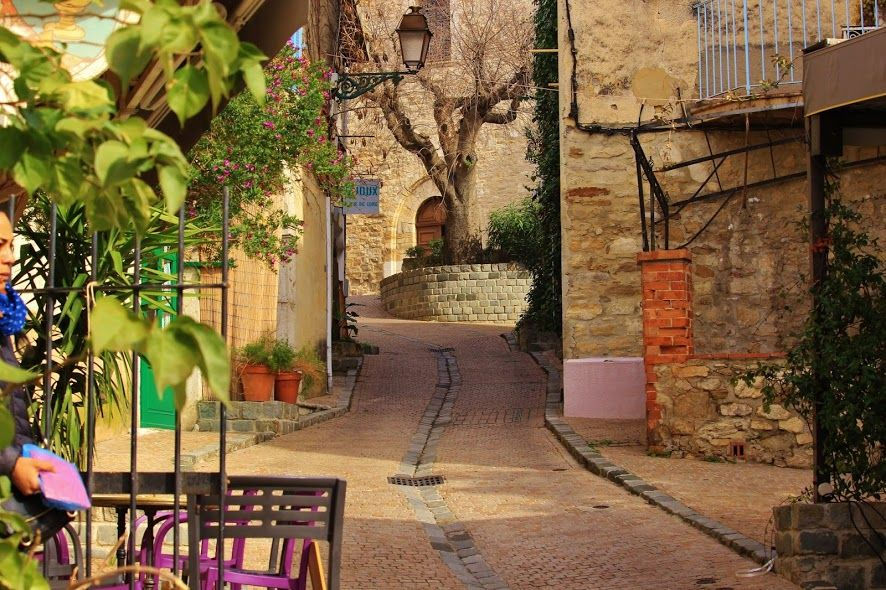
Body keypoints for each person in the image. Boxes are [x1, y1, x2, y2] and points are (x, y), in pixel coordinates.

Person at [0, 210, 54, 495]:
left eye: (10, 245)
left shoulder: (4, 319)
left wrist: (22, 456)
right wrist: (11, 463)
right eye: (0, 244)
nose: (10, 257)